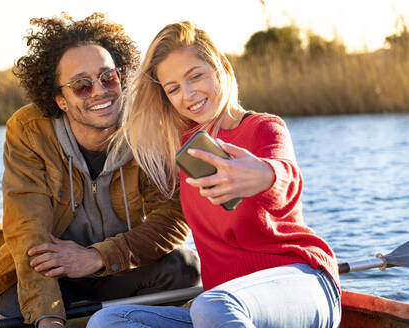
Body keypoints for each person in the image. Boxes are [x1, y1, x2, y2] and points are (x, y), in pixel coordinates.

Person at [88, 21, 341, 328]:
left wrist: (264, 175)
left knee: (213, 305)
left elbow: (285, 176)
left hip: (302, 284)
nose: (189, 94)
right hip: (226, 305)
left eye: (196, 76)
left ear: (220, 66)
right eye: (173, 88)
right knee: (110, 320)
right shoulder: (181, 149)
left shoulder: (263, 128)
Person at [0, 13, 200, 328]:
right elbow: (28, 232)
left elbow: (171, 219)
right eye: (82, 85)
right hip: (53, 273)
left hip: (118, 267)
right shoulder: (29, 130)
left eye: (107, 77)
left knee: (183, 267)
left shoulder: (149, 125)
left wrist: (97, 257)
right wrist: (48, 319)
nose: (99, 91)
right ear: (60, 99)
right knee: (18, 313)